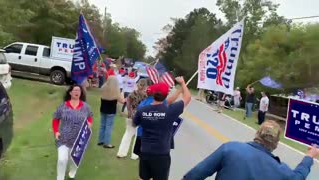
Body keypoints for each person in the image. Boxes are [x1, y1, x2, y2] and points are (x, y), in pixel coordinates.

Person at [183, 120, 319, 180]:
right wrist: (309, 157)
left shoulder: (230, 148)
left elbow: (195, 175)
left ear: (257, 134)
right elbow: (298, 177)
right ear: (276, 144)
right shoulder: (281, 170)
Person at [133, 76, 191, 180]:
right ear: (166, 95)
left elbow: (134, 123)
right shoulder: (170, 110)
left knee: (142, 178)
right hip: (161, 154)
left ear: (153, 93)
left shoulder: (142, 110)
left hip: (145, 151)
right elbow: (187, 98)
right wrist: (182, 83)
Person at [52, 85, 93, 180]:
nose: (77, 92)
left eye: (79, 90)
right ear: (70, 92)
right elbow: (55, 119)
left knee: (74, 161)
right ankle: (60, 178)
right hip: (63, 139)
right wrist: (56, 131)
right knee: (62, 160)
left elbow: (90, 118)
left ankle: (72, 173)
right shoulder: (62, 106)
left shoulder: (86, 107)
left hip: (78, 141)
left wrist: (89, 124)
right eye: (75, 90)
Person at [117, 79, 148, 160]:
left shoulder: (132, 93)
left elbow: (128, 103)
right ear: (145, 86)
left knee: (127, 134)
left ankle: (121, 153)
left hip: (131, 115)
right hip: (140, 116)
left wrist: (130, 113)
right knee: (138, 135)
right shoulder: (146, 96)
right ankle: (134, 154)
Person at [98, 76, 125, 148]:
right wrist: (123, 95)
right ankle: (106, 143)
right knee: (108, 127)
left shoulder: (103, 88)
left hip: (103, 109)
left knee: (102, 126)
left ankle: (100, 140)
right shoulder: (116, 91)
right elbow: (122, 101)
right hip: (111, 111)